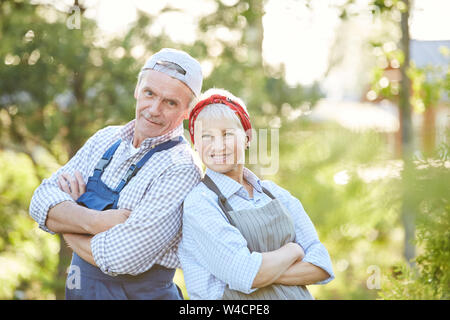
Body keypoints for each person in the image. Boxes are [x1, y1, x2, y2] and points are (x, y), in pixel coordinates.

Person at [29, 48, 203, 300]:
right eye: (149, 93)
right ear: (137, 89)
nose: (154, 109)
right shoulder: (105, 139)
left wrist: (65, 221)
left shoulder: (181, 168)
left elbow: (122, 258)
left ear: (187, 110)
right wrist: (95, 222)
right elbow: (39, 202)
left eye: (170, 102)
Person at [178, 88, 334, 299]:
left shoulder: (275, 193)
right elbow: (246, 274)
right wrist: (293, 251)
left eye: (227, 134)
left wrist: (264, 271)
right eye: (206, 136)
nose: (218, 145)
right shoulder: (201, 203)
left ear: (247, 138)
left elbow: (321, 266)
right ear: (196, 144)